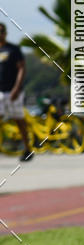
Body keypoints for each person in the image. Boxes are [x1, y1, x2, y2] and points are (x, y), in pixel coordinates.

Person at [0, 22, 32, 161]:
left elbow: (21, 68)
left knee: (19, 120)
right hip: (0, 91)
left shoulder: (13, 49)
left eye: (1, 31)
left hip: (13, 91)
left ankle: (27, 149)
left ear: (5, 33)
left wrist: (16, 88)